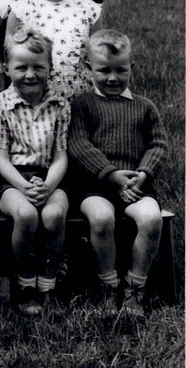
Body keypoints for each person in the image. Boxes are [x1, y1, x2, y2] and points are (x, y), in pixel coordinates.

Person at [68, 30, 168, 318]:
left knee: (150, 219)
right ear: (88, 69)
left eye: (120, 70)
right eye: (103, 70)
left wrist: (144, 174)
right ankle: (107, 286)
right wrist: (110, 174)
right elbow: (78, 144)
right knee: (101, 217)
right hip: (95, 187)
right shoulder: (83, 105)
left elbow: (159, 143)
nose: (112, 78)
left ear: (131, 68)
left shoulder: (144, 106)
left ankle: (135, 288)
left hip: (137, 186)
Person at [0, 29, 69, 317]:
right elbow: (1, 159)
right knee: (26, 215)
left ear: (50, 67)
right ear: (6, 68)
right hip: (12, 180)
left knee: (53, 214)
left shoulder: (60, 104)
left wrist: (47, 186)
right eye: (21, 67)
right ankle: (25, 283)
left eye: (38, 66)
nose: (30, 74)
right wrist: (24, 187)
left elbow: (60, 156)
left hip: (49, 177)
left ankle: (48, 282)